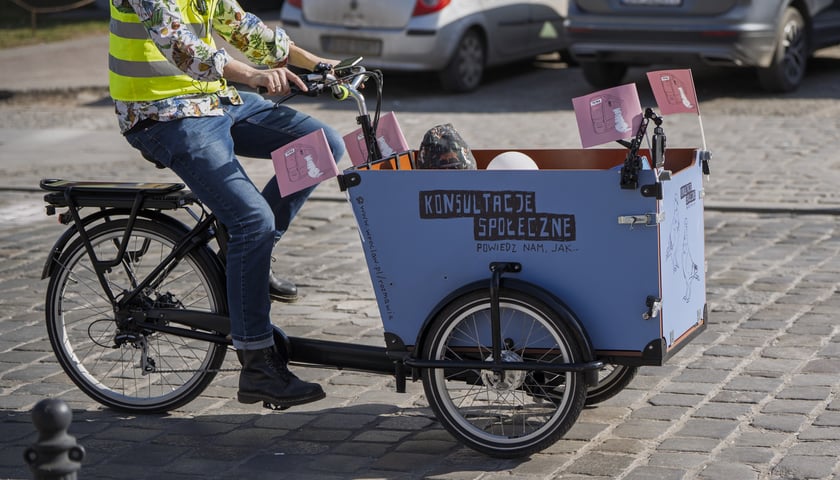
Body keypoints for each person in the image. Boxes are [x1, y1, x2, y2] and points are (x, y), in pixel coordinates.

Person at [109, 0, 345, 408]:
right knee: (253, 221)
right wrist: (253, 75)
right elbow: (182, 47)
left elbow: (242, 27)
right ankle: (258, 367)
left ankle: (250, 256)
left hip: (213, 100)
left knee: (320, 147)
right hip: (162, 114)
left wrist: (315, 63)